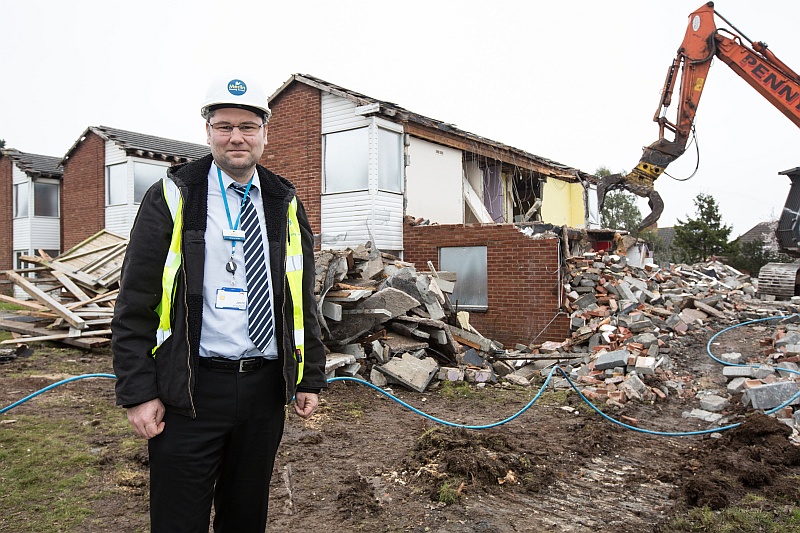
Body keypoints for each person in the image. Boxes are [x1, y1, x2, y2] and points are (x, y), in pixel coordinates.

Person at [111, 75, 327, 532]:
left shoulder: (283, 200)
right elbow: (135, 302)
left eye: (247, 126)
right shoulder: (173, 194)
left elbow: (300, 296)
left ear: (265, 133)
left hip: (262, 391)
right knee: (178, 521)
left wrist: (308, 375)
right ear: (208, 131)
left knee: (245, 518)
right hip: (190, 391)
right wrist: (138, 392)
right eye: (224, 126)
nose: (236, 137)